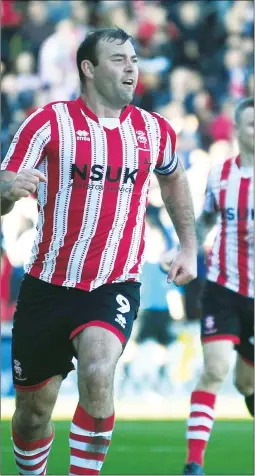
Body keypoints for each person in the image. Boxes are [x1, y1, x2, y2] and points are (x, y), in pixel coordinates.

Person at [0, 28, 197, 476]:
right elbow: (4, 186)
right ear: (88, 69)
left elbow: (173, 177)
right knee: (33, 416)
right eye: (118, 59)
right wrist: (8, 192)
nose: (132, 67)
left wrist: (188, 246)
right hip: (47, 284)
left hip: (113, 282)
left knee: (98, 368)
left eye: (133, 58)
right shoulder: (48, 123)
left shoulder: (153, 130)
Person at [182, 97, 254, 475]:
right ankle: (194, 463)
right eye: (251, 124)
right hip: (224, 288)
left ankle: (249, 364)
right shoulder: (219, 175)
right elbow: (205, 221)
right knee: (214, 368)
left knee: (246, 386)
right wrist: (184, 249)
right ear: (238, 131)